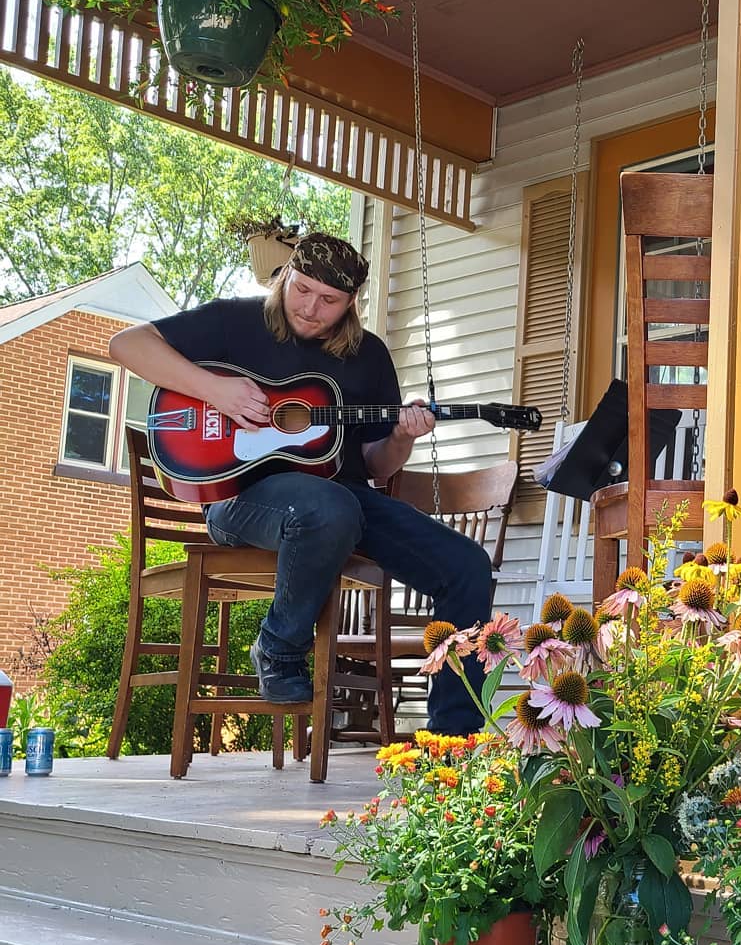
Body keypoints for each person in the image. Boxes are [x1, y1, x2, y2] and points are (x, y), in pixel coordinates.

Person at [109, 234, 493, 732]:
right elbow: (126, 345)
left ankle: (454, 743)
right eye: (302, 289)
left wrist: (402, 436)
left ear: (352, 302)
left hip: (344, 499)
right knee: (328, 507)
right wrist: (216, 391)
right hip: (240, 495)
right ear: (286, 276)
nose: (311, 308)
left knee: (467, 566)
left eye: (328, 300)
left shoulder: (368, 355)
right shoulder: (235, 322)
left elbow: (377, 466)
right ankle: (279, 647)